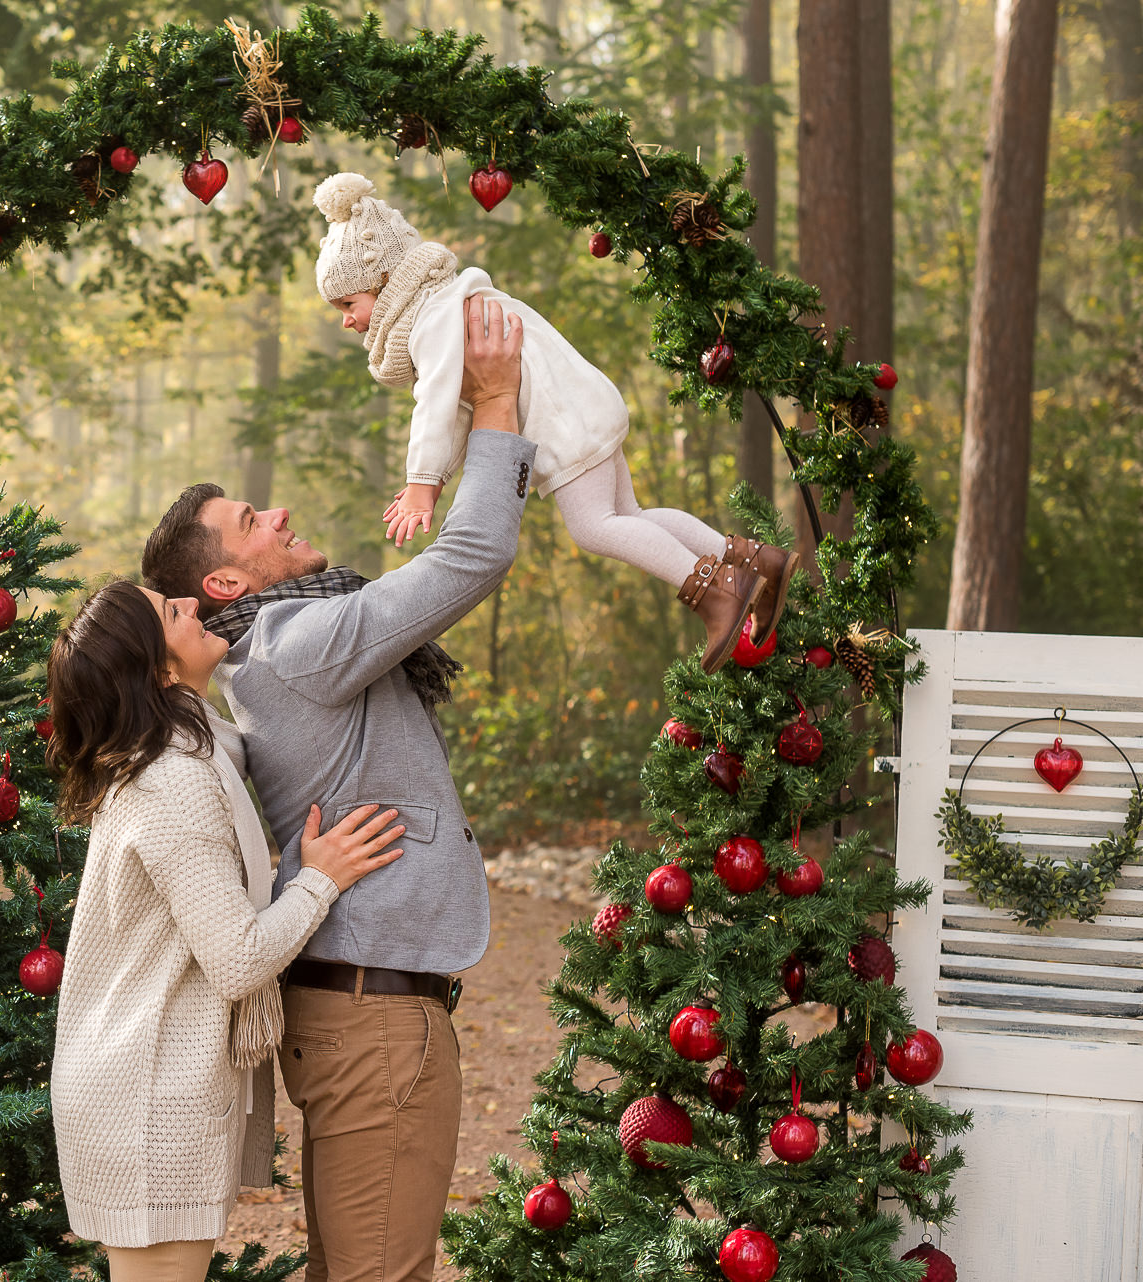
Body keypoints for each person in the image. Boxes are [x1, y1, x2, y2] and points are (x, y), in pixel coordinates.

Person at [138, 293, 525, 1282]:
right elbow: (472, 554)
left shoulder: (279, 646)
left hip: (360, 1011)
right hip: (375, 1021)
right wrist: (494, 405)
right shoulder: (298, 641)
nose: (279, 515)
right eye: (249, 522)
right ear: (228, 583)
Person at [46, 578, 407, 1282]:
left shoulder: (195, 751)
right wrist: (320, 879)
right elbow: (239, 963)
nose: (192, 607)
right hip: (147, 1099)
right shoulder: (171, 780)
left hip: (151, 1085)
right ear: (157, 669)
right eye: (170, 613)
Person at [313, 171, 796, 673]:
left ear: (387, 281)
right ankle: (754, 559)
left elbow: (435, 403)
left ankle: (717, 593)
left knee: (594, 527)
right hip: (583, 408)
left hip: (565, 424)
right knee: (627, 515)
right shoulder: (451, 305)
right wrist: (435, 482)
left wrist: (421, 482)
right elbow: (463, 411)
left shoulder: (432, 322)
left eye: (349, 304)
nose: (347, 320)